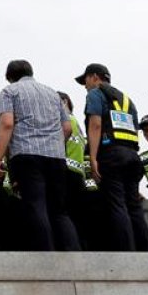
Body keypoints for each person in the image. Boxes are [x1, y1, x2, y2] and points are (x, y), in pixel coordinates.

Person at [0, 60, 80, 251]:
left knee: (35, 205)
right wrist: (54, 145)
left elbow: (7, 124)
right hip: (56, 157)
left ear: (10, 77)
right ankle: (73, 255)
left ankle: (45, 255)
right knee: (59, 210)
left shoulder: (10, 91)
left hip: (26, 155)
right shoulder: (53, 94)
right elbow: (67, 128)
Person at [77, 62, 148, 252]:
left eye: (85, 80)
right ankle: (146, 251)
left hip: (111, 155)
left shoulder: (95, 93)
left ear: (95, 77)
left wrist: (93, 157)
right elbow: (133, 129)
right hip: (132, 156)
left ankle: (126, 252)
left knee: (116, 204)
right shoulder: (127, 100)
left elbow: (95, 124)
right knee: (133, 206)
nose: (85, 86)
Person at [59, 92, 96, 250]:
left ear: (64, 102)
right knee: (78, 218)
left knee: (63, 215)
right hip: (78, 175)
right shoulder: (78, 125)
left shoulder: (66, 121)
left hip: (65, 173)